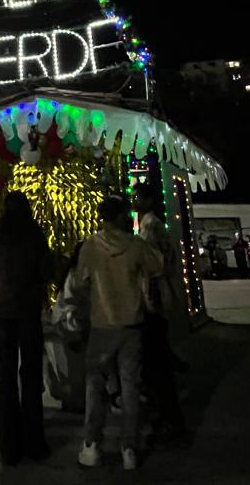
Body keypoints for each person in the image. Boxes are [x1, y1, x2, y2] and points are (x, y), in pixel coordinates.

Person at [74, 196, 162, 471]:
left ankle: (91, 445)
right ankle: (129, 449)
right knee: (130, 388)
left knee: (95, 387)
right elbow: (158, 266)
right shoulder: (136, 245)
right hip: (131, 326)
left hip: (101, 326)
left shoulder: (91, 245)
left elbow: (80, 282)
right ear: (123, 215)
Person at [0, 191, 52, 466]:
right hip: (28, 309)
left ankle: (9, 447)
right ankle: (34, 443)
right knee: (31, 376)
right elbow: (47, 270)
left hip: (2, 310)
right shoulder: (35, 234)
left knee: (6, 376)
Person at [136, 183, 189, 444]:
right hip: (157, 301)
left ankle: (169, 421)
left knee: (155, 366)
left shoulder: (150, 228)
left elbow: (152, 268)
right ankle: (166, 417)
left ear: (148, 200)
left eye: (137, 197)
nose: (134, 202)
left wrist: (149, 302)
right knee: (158, 363)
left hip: (153, 303)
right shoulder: (155, 225)